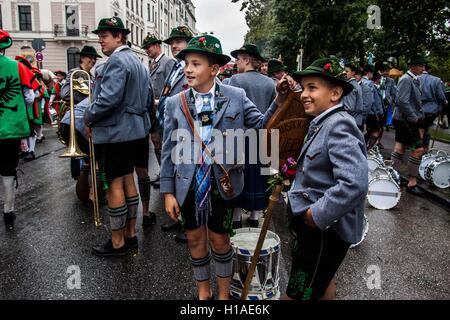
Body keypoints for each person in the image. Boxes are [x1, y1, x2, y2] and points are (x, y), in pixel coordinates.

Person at [161, 35, 280, 300]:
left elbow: (261, 126)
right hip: (188, 184)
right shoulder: (175, 103)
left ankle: (224, 296)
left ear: (214, 70)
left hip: (223, 183)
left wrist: (279, 100)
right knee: (194, 240)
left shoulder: (236, 96)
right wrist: (168, 191)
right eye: (186, 64)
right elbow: (168, 150)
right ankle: (204, 293)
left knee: (220, 240)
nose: (188, 69)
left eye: (196, 64)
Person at [286, 57, 368, 300]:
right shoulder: (323, 122)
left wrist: (316, 215)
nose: (304, 94)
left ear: (335, 93)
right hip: (319, 230)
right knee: (322, 284)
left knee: (299, 293)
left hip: (325, 231)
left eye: (312, 87)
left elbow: (354, 183)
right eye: (303, 88)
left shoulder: (338, 125)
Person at [84, 17, 152, 257]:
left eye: (105, 35)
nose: (100, 39)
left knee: (115, 185)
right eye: (100, 34)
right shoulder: (138, 62)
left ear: (119, 37)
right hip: (134, 131)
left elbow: (108, 100)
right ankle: (131, 235)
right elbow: (146, 100)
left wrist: (88, 117)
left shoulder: (116, 62)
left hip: (115, 132)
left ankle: (117, 242)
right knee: (128, 181)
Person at [228, 44, 276, 229]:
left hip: (242, 135)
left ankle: (237, 216)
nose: (236, 62)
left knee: (240, 175)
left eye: (238, 58)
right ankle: (255, 216)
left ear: (247, 59)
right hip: (264, 136)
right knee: (260, 175)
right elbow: (274, 111)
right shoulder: (270, 83)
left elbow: (230, 110)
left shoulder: (235, 80)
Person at [155, 26, 193, 243]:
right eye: (172, 43)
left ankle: (190, 225)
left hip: (186, 128)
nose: (174, 46)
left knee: (187, 175)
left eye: (179, 41)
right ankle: (179, 217)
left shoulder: (189, 67)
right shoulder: (176, 66)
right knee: (178, 173)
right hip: (170, 126)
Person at [0, 30, 35, 229]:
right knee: (7, 169)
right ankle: (8, 211)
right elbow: (30, 98)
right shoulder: (17, 67)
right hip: (9, 129)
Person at [391, 54, 427, 196]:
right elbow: (402, 101)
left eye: (423, 66)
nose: (423, 68)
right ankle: (412, 183)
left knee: (400, 148)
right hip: (406, 121)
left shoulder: (412, 79)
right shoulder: (406, 79)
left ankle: (393, 177)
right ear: (412, 66)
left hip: (403, 120)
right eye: (420, 66)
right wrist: (413, 118)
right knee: (418, 150)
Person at [419, 65, 448, 152]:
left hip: (416, 109)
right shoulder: (436, 80)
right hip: (430, 110)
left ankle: (422, 149)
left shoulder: (414, 78)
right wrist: (444, 102)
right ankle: (421, 149)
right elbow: (441, 96)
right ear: (429, 69)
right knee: (423, 129)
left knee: (422, 129)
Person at [343, 63, 364, 130]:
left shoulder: (350, 86)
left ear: (353, 73)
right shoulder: (355, 84)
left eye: (347, 71)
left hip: (351, 121)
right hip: (355, 120)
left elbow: (349, 107)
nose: (344, 73)